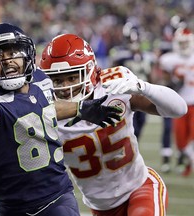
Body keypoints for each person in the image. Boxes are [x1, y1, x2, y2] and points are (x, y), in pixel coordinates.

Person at [0, 23, 122, 216]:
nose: (8, 60)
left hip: (56, 196)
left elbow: (44, 108)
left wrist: (80, 108)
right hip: (8, 205)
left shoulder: (41, 79)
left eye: (13, 52)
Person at [39, 34, 187, 216]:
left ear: (89, 71)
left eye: (71, 77)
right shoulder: (45, 111)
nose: (64, 86)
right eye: (57, 80)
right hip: (100, 207)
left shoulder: (113, 86)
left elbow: (179, 109)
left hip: (140, 188)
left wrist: (143, 87)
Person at [159, 27, 194, 176]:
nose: (184, 46)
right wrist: (172, 82)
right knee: (181, 143)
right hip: (179, 105)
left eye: (186, 42)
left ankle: (189, 165)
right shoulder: (169, 59)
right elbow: (164, 81)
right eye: (181, 43)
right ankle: (188, 161)